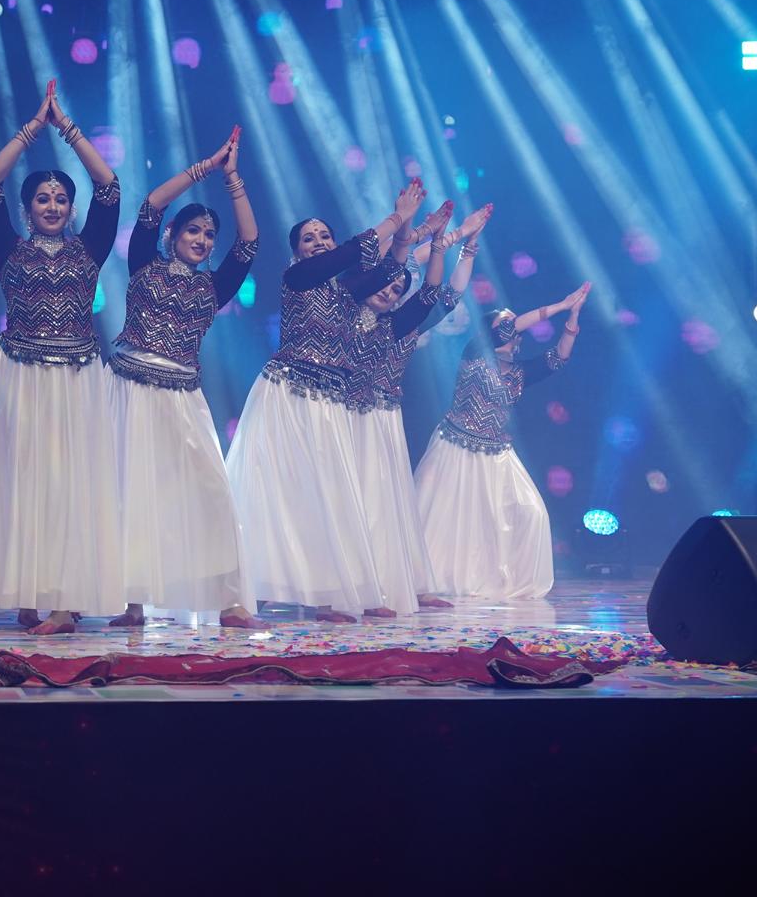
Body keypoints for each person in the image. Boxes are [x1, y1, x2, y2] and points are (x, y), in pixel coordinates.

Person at [224, 178, 426, 623]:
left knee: (327, 495)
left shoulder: (344, 292)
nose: (318, 242)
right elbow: (348, 255)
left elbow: (387, 274)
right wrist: (396, 218)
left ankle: (325, 596)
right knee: (273, 490)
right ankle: (244, 596)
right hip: (286, 393)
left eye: (324, 236)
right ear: (297, 252)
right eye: (308, 238)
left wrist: (405, 233)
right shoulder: (297, 278)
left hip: (328, 401)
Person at [0, 79, 123, 635]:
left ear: (71, 208)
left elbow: (110, 188)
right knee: (22, 480)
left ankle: (65, 599)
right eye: (42, 198)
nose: (53, 206)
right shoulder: (9, 248)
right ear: (27, 208)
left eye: (61, 199)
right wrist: (33, 129)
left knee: (68, 483)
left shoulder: (90, 249)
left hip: (77, 376)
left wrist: (68, 131)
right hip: (19, 374)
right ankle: (30, 591)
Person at [108, 128, 269, 630]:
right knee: (130, 492)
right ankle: (132, 603)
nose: (201, 240)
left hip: (182, 396)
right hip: (129, 391)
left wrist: (233, 179)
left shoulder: (214, 287)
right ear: (172, 236)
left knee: (209, 493)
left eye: (208, 235)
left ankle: (230, 603)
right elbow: (151, 205)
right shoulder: (143, 266)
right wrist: (204, 167)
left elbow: (249, 243)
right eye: (193, 231)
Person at [342, 203, 491, 613]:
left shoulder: (403, 323)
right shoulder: (344, 312)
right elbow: (395, 261)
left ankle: (400, 582)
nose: (389, 291)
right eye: (384, 285)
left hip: (386, 417)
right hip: (347, 413)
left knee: (389, 503)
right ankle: (357, 587)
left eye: (396, 290)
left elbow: (447, 296)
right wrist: (443, 234)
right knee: (356, 500)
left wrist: (466, 247)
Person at [415, 282, 591, 600]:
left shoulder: (521, 372)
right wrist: (560, 304)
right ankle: (431, 581)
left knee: (532, 513)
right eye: (505, 323)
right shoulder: (474, 354)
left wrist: (573, 315)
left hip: (497, 453)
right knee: (447, 521)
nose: (512, 327)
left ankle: (504, 579)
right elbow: (511, 326)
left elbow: (558, 358)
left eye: (513, 323)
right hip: (456, 448)